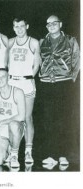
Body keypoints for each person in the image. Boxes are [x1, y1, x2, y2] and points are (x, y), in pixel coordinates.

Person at [38, 15, 80, 166]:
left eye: (54, 23)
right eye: (48, 24)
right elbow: (38, 61)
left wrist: (71, 78)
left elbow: (77, 59)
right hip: (46, 85)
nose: (51, 26)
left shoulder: (70, 40)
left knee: (63, 119)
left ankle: (62, 155)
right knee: (48, 120)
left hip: (64, 85)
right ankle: (51, 155)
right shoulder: (42, 42)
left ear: (60, 24)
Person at [8, 17, 41, 163]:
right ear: (13, 27)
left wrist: (28, 77)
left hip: (26, 83)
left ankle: (28, 152)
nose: (19, 29)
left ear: (27, 26)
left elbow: (37, 64)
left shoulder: (33, 42)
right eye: (16, 26)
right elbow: (6, 63)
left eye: (21, 26)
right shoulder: (10, 42)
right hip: (12, 83)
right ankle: (12, 151)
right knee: (13, 117)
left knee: (27, 118)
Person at [0, 68, 25, 168]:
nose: (0, 79)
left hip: (16, 127)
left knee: (13, 125)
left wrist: (1, 123)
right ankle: (7, 149)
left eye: (3, 76)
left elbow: (21, 116)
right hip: (1, 129)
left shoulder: (18, 92)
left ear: (8, 77)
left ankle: (14, 155)